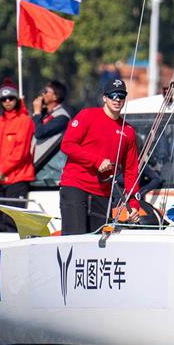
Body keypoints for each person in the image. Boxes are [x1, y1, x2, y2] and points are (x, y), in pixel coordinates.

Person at [60, 78, 141, 235]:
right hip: (76, 185)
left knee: (98, 241)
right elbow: (67, 145)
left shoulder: (129, 131)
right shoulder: (87, 115)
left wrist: (133, 203)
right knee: (75, 237)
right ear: (105, 98)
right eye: (112, 95)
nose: (117, 99)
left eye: (121, 95)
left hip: (103, 192)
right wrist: (97, 161)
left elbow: (131, 170)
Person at [0, 78, 35, 232]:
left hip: (17, 179)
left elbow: (21, 151)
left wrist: (2, 169)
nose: (7, 101)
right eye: (3, 99)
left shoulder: (25, 121)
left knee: (12, 222)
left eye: (11, 98)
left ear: (17, 99)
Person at [31, 80, 71, 184]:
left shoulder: (62, 117)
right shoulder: (44, 115)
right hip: (38, 169)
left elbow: (39, 133)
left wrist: (36, 112)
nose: (42, 94)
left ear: (55, 97)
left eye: (45, 91)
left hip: (51, 173)